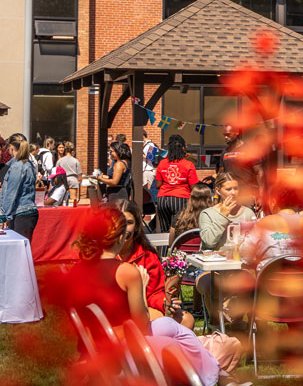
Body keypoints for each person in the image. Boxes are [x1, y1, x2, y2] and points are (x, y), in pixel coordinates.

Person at [67, 207, 221, 386]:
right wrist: (141, 288)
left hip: (97, 342)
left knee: (174, 327)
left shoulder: (77, 269)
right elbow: (141, 326)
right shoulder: (126, 272)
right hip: (123, 345)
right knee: (180, 339)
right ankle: (211, 377)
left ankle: (214, 374)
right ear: (120, 237)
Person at [115, 199, 194, 328]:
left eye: (129, 223)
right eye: (118, 222)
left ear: (136, 227)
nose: (123, 228)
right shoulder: (103, 254)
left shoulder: (147, 255)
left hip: (143, 307)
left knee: (186, 319)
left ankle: (166, 347)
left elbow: (155, 292)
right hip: (114, 312)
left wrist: (165, 302)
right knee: (166, 323)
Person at [199, 172, 257, 250]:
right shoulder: (207, 214)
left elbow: (255, 242)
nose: (233, 193)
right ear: (218, 191)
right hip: (216, 260)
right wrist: (222, 216)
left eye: (236, 188)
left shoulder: (248, 213)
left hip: (240, 259)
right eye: (228, 189)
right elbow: (209, 243)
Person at [0, 133, 39, 240]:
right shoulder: (28, 163)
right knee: (22, 249)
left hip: (21, 213)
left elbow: (11, 193)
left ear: (11, 147)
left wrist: (2, 217)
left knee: (19, 251)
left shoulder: (18, 166)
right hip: (26, 212)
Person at [155, 134, 200, 232]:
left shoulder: (162, 163)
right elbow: (194, 187)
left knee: (164, 230)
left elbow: (157, 185)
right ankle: (176, 247)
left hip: (162, 199)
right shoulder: (188, 164)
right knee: (179, 229)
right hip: (181, 198)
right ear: (183, 148)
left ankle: (163, 247)